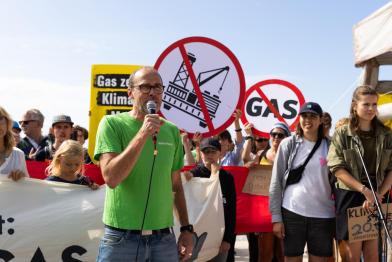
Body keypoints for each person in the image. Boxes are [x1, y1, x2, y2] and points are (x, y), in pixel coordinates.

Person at [95, 67, 193, 262]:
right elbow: (111, 178)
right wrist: (142, 134)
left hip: (163, 239)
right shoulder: (111, 124)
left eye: (158, 87)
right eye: (145, 87)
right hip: (122, 238)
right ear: (130, 92)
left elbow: (175, 185)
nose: (152, 93)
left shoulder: (172, 131)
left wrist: (186, 228)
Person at [327, 85, 392, 261]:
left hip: (378, 194)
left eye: (374, 104)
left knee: (373, 255)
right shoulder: (342, 132)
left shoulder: (386, 134)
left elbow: (391, 170)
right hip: (350, 195)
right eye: (366, 104)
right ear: (355, 105)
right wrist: (364, 191)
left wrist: (378, 195)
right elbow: (336, 167)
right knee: (351, 255)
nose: (371, 109)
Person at [269, 102, 335, 262]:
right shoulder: (288, 144)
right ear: (299, 119)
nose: (308, 120)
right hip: (292, 212)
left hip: (323, 215)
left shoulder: (331, 146)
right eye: (304, 116)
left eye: (313, 116)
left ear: (320, 120)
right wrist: (276, 218)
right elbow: (276, 181)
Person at [189, 138, 236, 262]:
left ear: (220, 153)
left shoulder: (227, 178)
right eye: (206, 151)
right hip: (197, 236)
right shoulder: (193, 175)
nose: (209, 155)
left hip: (219, 239)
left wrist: (227, 239)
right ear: (200, 153)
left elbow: (231, 211)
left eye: (213, 151)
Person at [256, 122, 290, 262]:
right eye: (273, 134)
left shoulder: (291, 155)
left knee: (282, 253)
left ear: (287, 137)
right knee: (265, 253)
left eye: (280, 135)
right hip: (264, 209)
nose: (276, 137)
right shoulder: (260, 154)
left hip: (285, 207)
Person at [241, 122, 269, 262]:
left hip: (270, 208)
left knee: (273, 250)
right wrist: (248, 136)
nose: (263, 142)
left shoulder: (273, 154)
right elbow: (244, 159)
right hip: (255, 208)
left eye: (265, 139)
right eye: (259, 139)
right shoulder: (253, 156)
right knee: (254, 247)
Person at [0, 106, 29, 180]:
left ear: (7, 123)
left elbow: (28, 187)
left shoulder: (18, 155)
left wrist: (22, 177)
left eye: (0, 118)